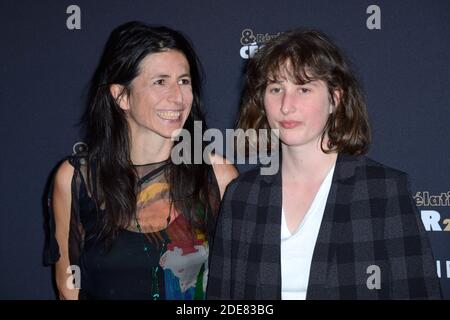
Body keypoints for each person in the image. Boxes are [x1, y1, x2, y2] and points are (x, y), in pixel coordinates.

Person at [207, 28, 441, 299]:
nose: (286, 105)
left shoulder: (383, 191)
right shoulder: (242, 194)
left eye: (304, 88)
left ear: (334, 99)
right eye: (276, 88)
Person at [45, 21, 238, 300]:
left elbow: (237, 287)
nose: (178, 97)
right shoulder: (78, 180)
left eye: (184, 81)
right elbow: (68, 289)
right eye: (160, 82)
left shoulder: (217, 176)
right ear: (121, 96)